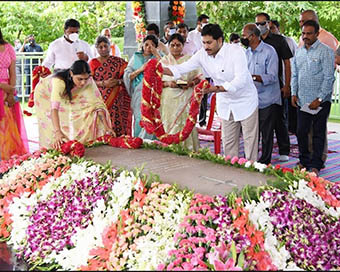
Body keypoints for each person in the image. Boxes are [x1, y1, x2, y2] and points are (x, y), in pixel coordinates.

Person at [162, 24, 259, 162]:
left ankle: (252, 174)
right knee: (228, 143)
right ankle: (232, 174)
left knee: (250, 143)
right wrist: (159, 69)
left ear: (219, 40)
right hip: (226, 103)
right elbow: (182, 68)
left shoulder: (236, 52)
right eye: (203, 43)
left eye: (209, 43)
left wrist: (215, 89)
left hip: (245, 101)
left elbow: (241, 80)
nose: (206, 46)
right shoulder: (202, 54)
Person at [34, 60, 114, 149]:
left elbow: (96, 105)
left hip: (69, 91)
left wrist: (107, 127)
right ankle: (53, 147)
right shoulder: (59, 82)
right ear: (71, 74)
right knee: (52, 123)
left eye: (86, 79)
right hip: (45, 95)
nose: (83, 82)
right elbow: (54, 109)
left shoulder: (88, 81)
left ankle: (78, 144)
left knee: (89, 110)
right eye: (80, 79)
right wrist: (57, 132)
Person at [291, 20, 335, 176]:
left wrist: (320, 99)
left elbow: (329, 78)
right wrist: (293, 93)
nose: (305, 36)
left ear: (317, 34)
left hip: (320, 102)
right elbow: (295, 74)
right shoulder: (299, 52)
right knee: (301, 132)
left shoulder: (326, 52)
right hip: (302, 100)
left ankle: (316, 164)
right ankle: (304, 162)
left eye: (309, 33)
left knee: (318, 134)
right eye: (303, 33)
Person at [255, 12, 293, 162]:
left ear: (269, 23)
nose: (260, 26)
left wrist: (287, 85)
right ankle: (260, 152)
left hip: (276, 85)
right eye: (257, 24)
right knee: (262, 122)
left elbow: (287, 63)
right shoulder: (255, 40)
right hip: (258, 88)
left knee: (280, 118)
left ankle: (284, 149)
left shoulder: (278, 40)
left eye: (262, 23)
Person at [242, 24, 281, 164]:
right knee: (252, 133)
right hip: (251, 100)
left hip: (268, 98)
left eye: (244, 35)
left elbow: (272, 77)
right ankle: (251, 160)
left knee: (267, 133)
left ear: (253, 36)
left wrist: (252, 77)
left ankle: (265, 162)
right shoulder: (245, 53)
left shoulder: (269, 51)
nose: (242, 38)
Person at [160, 33, 203, 151]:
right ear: (168, 46)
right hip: (168, 98)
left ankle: (189, 150)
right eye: (172, 45)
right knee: (169, 122)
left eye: (178, 45)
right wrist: (169, 84)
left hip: (186, 96)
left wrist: (191, 83)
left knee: (186, 122)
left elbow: (199, 77)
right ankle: (170, 149)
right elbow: (157, 82)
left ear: (183, 46)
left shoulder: (189, 60)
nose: (175, 48)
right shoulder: (163, 61)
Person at [89, 35, 132, 137]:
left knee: (118, 120)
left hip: (117, 98)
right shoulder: (93, 63)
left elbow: (128, 77)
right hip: (99, 98)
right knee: (101, 118)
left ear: (110, 46)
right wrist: (104, 83)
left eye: (105, 46)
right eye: (100, 47)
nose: (103, 49)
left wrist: (118, 82)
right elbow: (88, 81)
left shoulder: (119, 62)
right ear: (97, 48)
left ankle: (119, 140)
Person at [123, 35, 162, 139]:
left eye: (152, 45)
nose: (149, 47)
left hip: (154, 93)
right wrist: (141, 69)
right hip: (139, 92)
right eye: (147, 44)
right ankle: (139, 140)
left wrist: (156, 54)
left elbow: (165, 69)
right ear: (142, 45)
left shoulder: (158, 56)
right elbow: (128, 75)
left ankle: (153, 143)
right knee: (140, 116)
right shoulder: (136, 57)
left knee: (153, 117)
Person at [0, 28, 29, 160]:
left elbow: (13, 72)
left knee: (9, 124)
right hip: (3, 87)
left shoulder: (8, 47)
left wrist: (11, 91)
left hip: (8, 90)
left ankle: (7, 157)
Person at [270, 19, 298, 135]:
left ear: (278, 28)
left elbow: (293, 61)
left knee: (287, 112)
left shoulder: (288, 41)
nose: (270, 31)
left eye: (272, 28)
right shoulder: (265, 42)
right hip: (272, 84)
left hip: (287, 81)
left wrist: (289, 84)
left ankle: (288, 136)